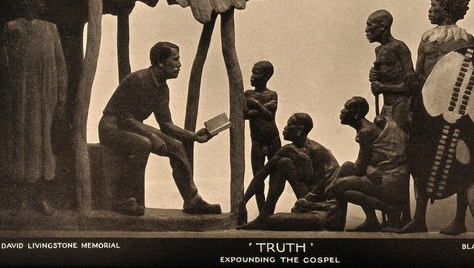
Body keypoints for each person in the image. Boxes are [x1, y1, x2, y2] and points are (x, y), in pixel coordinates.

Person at [98, 41, 220, 216]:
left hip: (133, 126)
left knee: (176, 146)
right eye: (175, 59)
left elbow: (166, 125)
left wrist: (192, 136)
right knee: (143, 143)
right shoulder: (138, 79)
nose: (179, 65)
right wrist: (152, 137)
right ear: (161, 62)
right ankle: (124, 200)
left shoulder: (162, 88)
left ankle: (192, 201)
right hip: (111, 127)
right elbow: (124, 118)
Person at [400, 0, 474, 235]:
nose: (430, 10)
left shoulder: (465, 39)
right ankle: (419, 218)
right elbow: (420, 73)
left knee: (460, 163)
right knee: (420, 161)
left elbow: (472, 76)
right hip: (425, 108)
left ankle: (459, 220)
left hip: (455, 110)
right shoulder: (426, 38)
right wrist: (413, 91)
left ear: (448, 7)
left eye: (434, 5)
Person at [1, 0, 67, 216]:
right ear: (27, 1)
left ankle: (41, 198)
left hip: (45, 99)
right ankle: (21, 200)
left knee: (44, 145)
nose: (42, 3)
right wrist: (8, 43)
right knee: (21, 145)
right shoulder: (11, 27)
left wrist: (61, 99)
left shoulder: (51, 29)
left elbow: (60, 67)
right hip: (20, 99)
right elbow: (3, 65)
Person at [237, 113, 339, 230]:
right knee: (282, 162)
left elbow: (319, 189)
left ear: (299, 130)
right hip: (307, 201)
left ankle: (265, 218)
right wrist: (243, 201)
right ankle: (264, 216)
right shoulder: (288, 150)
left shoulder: (316, 150)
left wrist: (303, 204)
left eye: (289, 125)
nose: (285, 128)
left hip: (323, 207)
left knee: (273, 221)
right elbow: (262, 174)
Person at [326, 97, 409, 232]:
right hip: (388, 177)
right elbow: (368, 162)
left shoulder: (365, 132)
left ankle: (389, 210)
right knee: (346, 167)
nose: (342, 111)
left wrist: (331, 186)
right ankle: (371, 220)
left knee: (338, 187)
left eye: (346, 108)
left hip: (390, 180)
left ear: (356, 113)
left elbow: (359, 169)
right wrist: (368, 168)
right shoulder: (367, 129)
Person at [366, 10, 415, 132]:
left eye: (370, 25)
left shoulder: (399, 47)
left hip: (401, 105)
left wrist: (382, 87)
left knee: (399, 140)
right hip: (386, 106)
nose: (366, 30)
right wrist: (375, 78)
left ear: (382, 26)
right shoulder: (378, 50)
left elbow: (411, 85)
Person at [243, 61, 281, 211]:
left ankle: (268, 212)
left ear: (266, 76)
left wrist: (256, 105)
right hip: (257, 142)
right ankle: (262, 213)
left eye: (256, 73)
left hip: (273, 140)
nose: (252, 76)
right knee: (258, 178)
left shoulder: (272, 94)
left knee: (275, 179)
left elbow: (269, 116)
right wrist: (264, 108)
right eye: (252, 72)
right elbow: (245, 114)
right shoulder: (248, 94)